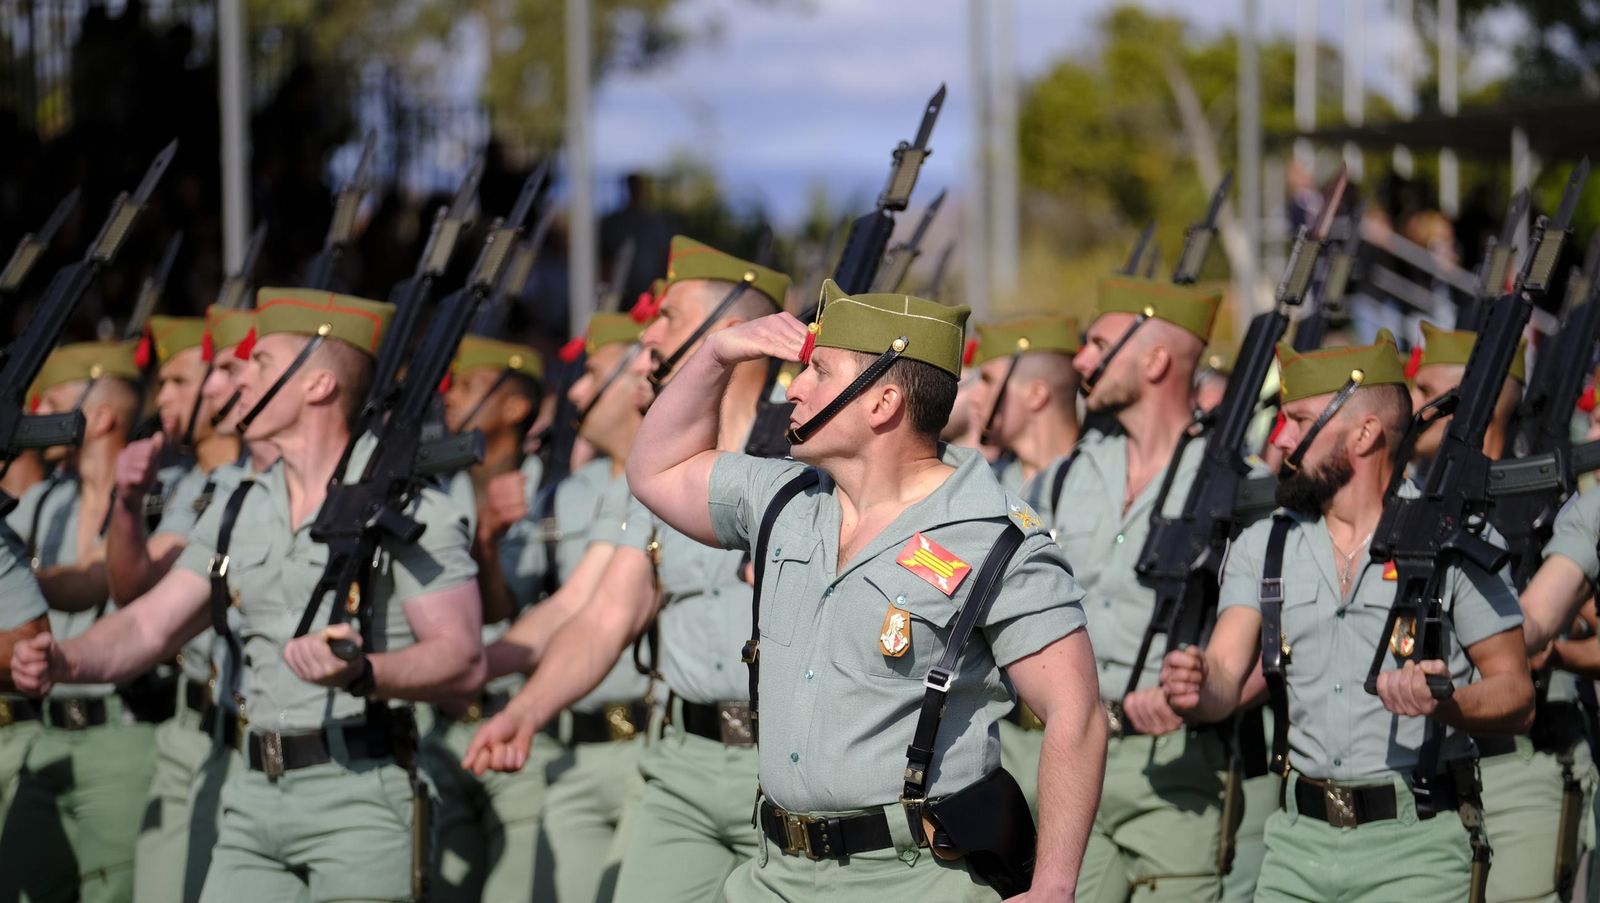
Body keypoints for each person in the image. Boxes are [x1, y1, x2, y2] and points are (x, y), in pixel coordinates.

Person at [623, 278, 1105, 899]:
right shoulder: (784, 500)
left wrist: (1055, 885)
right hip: (774, 872)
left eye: (818, 372)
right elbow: (655, 469)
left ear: (882, 403)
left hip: (913, 877)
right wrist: (718, 352)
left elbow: (1077, 712)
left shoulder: (994, 540)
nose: (792, 387)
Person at [12, 288, 487, 902]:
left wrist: (366, 670)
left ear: (316, 385)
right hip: (252, 797)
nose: (233, 380)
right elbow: (148, 627)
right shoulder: (240, 505)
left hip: (361, 801)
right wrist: (64, 660)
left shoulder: (407, 506)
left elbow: (464, 657)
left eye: (260, 364)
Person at [464, 238, 796, 902]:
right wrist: (526, 709)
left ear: (730, 335)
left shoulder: (810, 462)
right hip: (682, 762)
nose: (650, 334)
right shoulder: (662, 476)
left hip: (788, 766)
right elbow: (606, 615)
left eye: (669, 316)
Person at [1162, 331, 1534, 901]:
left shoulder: (1453, 539)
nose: (1279, 437)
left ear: (1364, 433)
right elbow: (1223, 676)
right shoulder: (1266, 544)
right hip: (1294, 850)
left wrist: (1447, 700)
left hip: (1418, 848)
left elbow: (1516, 695)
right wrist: (1195, 684)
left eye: (1299, 419)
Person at [1051, 273, 1231, 901]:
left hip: (1175, 771)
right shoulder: (1067, 472)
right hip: (1066, 758)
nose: (1080, 359)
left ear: (1156, 360)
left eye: (1100, 344)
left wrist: (1209, 690)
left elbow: (1270, 635)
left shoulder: (1236, 485)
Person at [1, 340, 159, 903]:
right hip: (44, 736)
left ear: (100, 416)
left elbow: (102, 578)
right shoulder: (40, 500)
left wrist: (16, 598)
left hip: (120, 733)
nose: (32, 416)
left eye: (51, 403)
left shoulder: (158, 497)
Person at [105, 314, 245, 903]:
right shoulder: (195, 486)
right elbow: (134, 583)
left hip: (250, 735)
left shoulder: (255, 483)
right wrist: (127, 503)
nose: (164, 398)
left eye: (179, 382)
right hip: (189, 728)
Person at [962, 314, 1082, 816]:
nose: (974, 396)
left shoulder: (1101, 485)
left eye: (988, 381)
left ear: (1035, 395)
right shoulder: (982, 490)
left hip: (1078, 732)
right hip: (1002, 741)